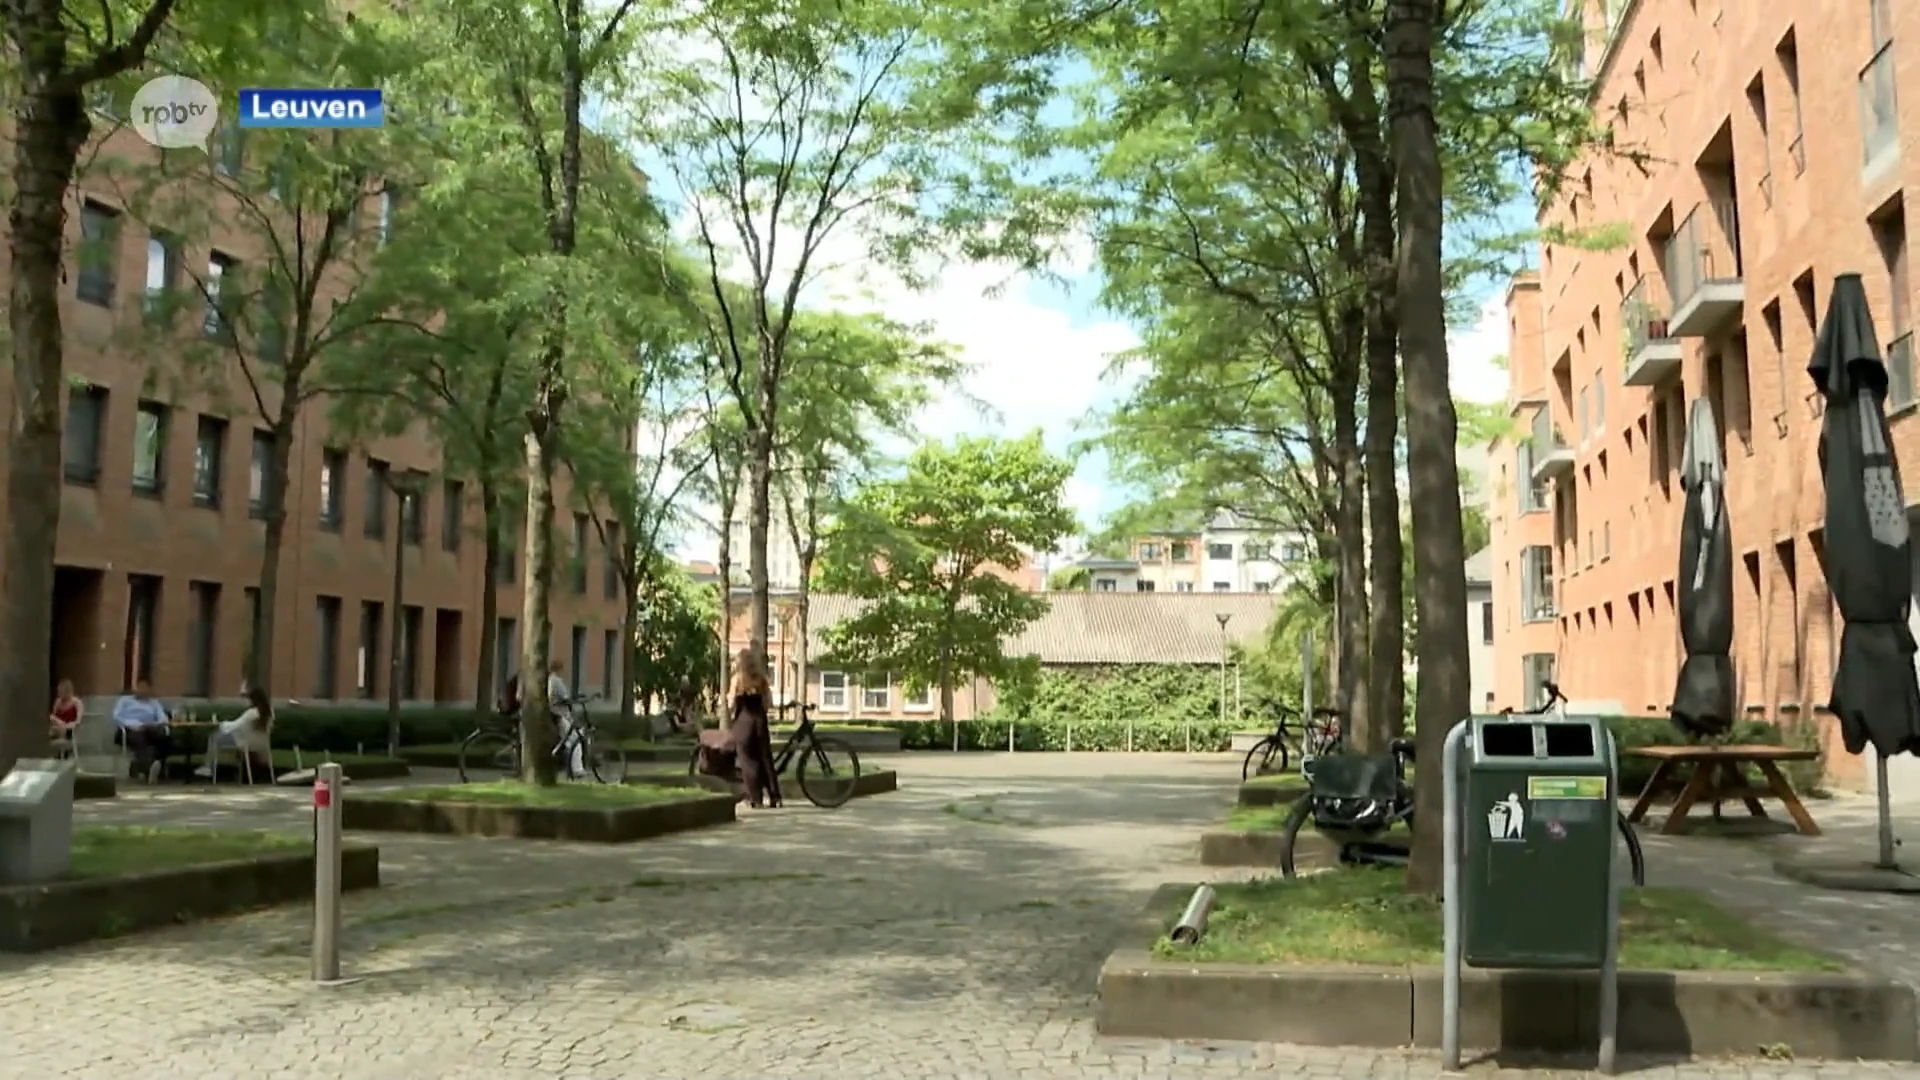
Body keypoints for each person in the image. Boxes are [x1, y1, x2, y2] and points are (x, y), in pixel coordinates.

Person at [728, 649, 781, 809]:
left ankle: (755, 798)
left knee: (748, 761)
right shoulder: (761, 679)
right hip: (760, 721)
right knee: (766, 759)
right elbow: (768, 703)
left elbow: (731, 705)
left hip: (744, 722)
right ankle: (775, 796)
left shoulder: (737, 680)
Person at [198, 686, 273, 781]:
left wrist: (222, 724)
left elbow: (236, 725)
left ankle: (208, 767)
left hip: (244, 743)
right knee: (219, 736)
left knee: (214, 737)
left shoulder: (251, 713)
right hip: (261, 744)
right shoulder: (269, 713)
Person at [112, 677, 174, 782]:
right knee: (139, 738)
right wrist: (132, 724)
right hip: (129, 729)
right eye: (140, 687)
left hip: (150, 728)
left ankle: (152, 766)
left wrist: (155, 724)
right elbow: (116, 716)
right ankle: (149, 767)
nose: (141, 690)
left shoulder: (154, 703)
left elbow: (163, 718)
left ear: (150, 690)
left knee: (165, 738)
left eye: (145, 688)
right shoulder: (125, 701)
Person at [49, 679, 82, 758]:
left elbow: (78, 720)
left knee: (62, 730)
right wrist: (58, 721)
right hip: (58, 727)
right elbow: (53, 716)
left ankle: (63, 753)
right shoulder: (58, 702)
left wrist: (68, 725)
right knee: (54, 728)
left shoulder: (76, 702)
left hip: (70, 729)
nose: (59, 694)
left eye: (61, 692)